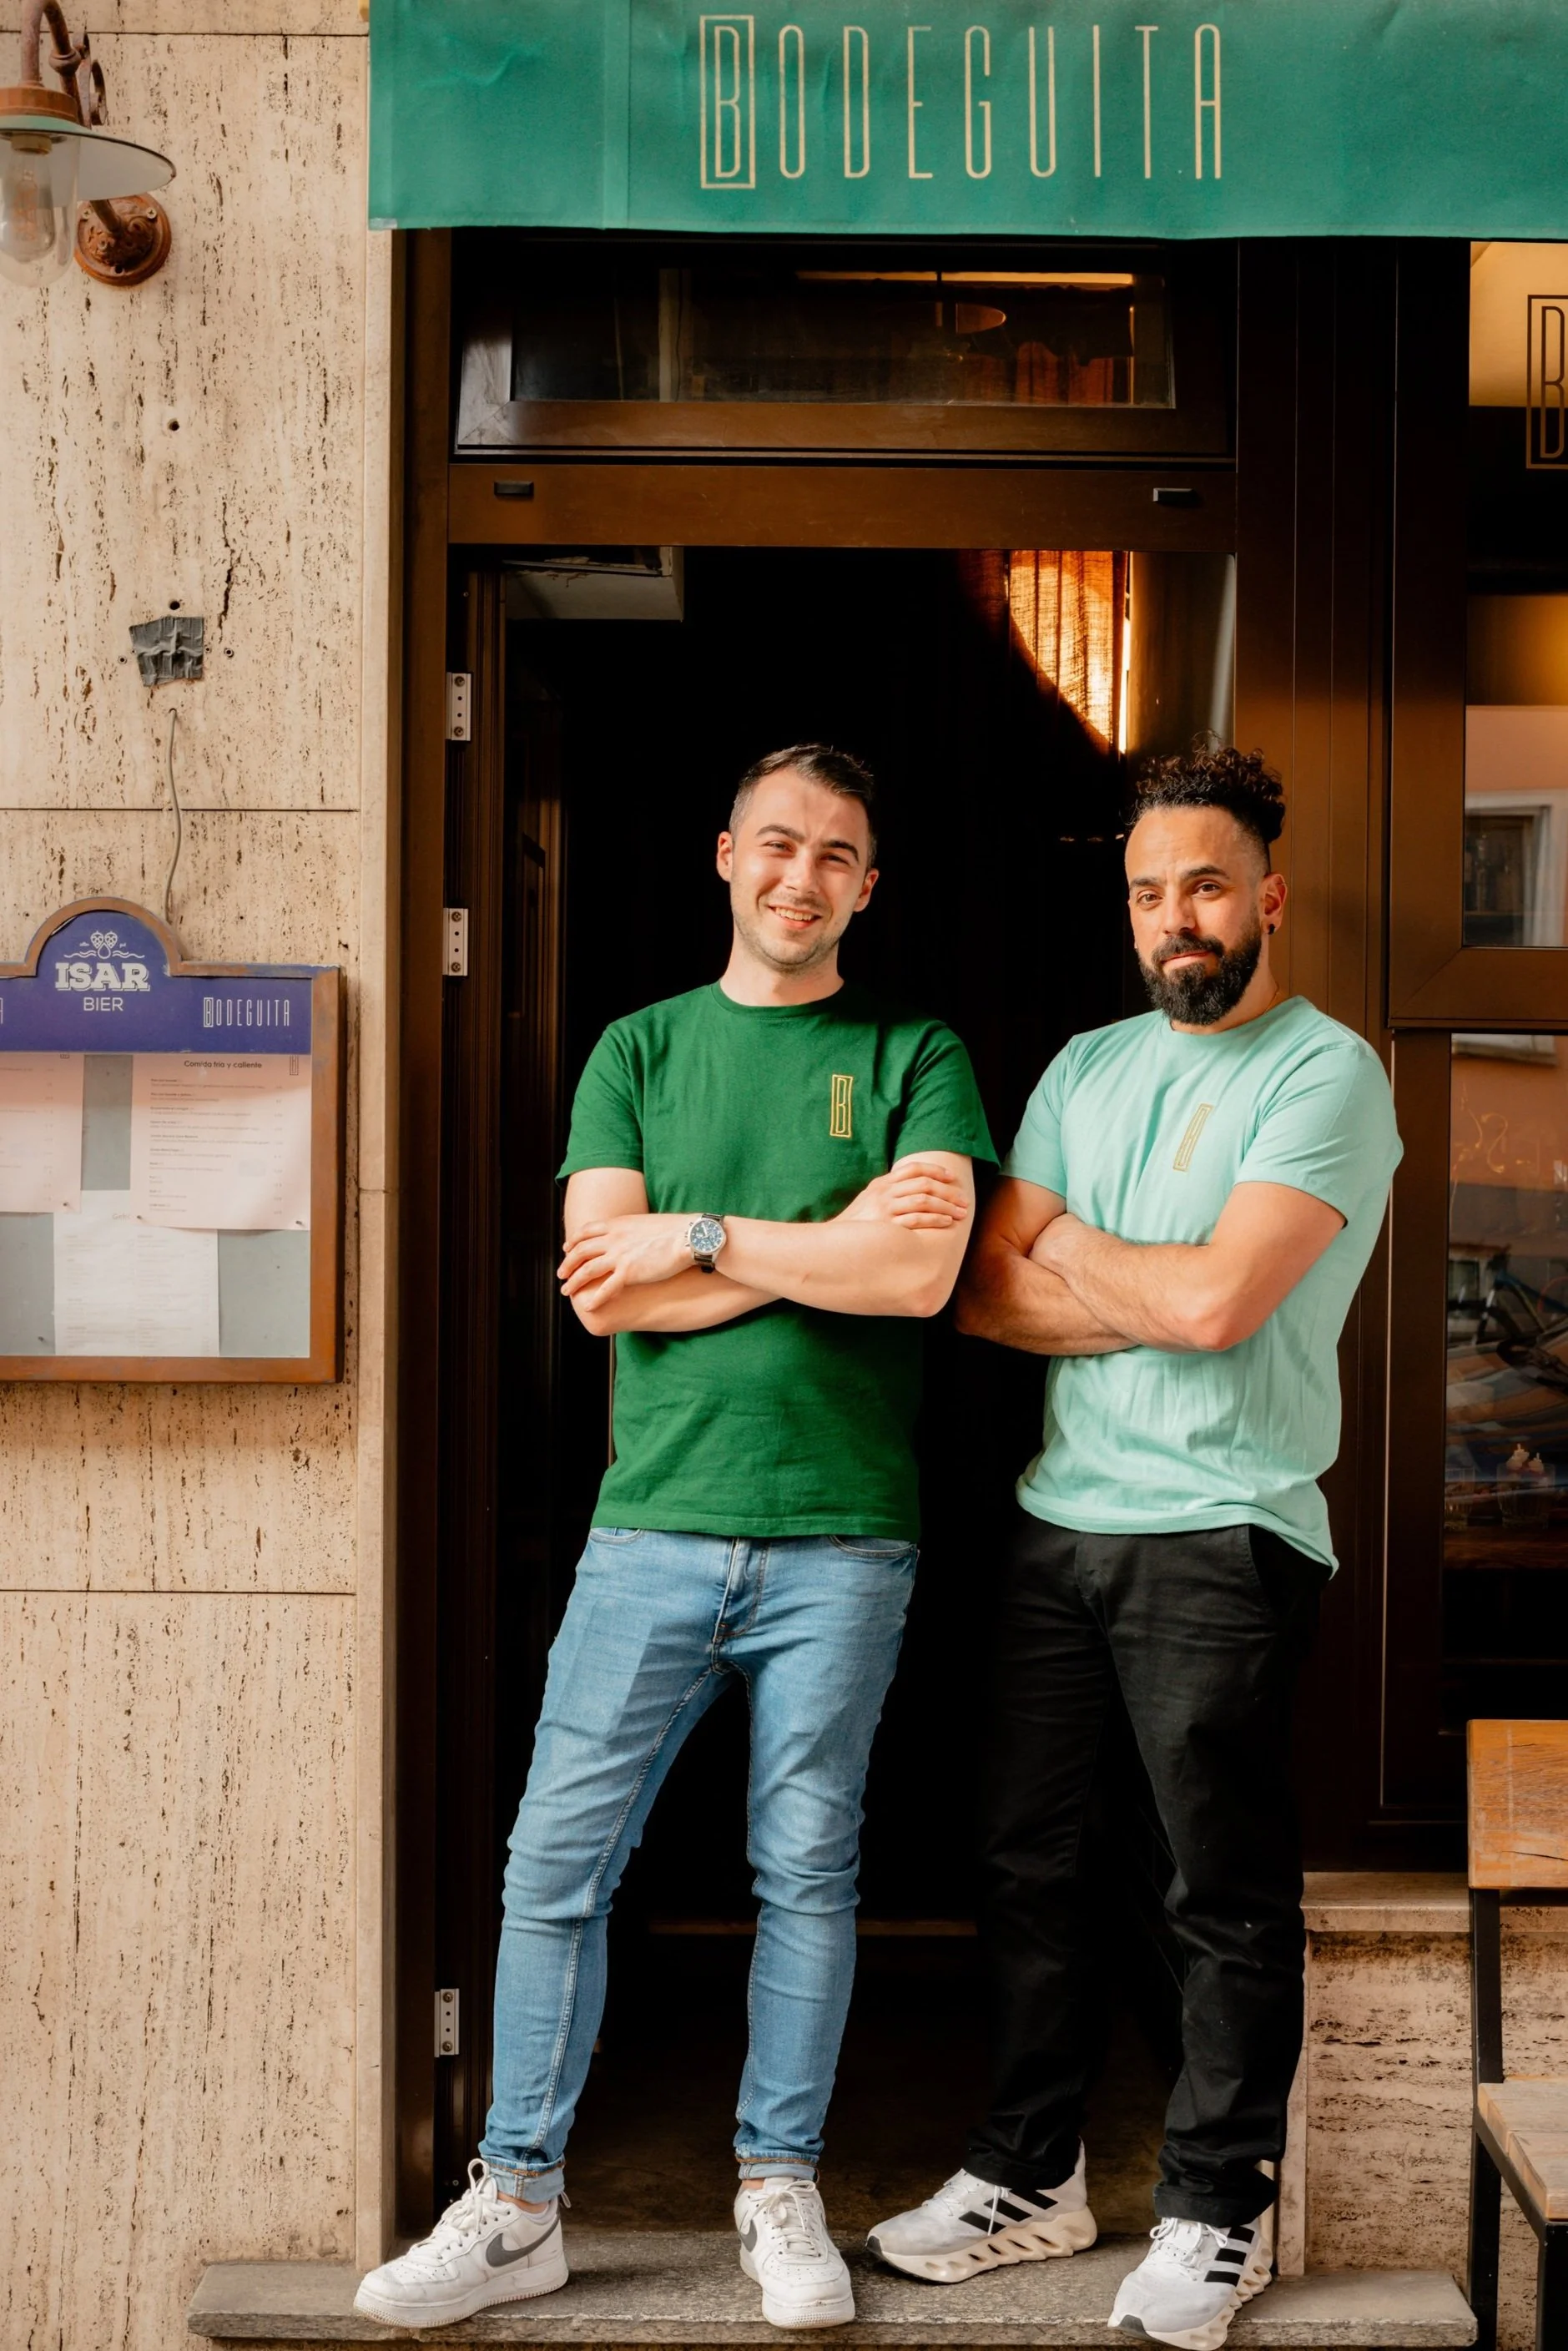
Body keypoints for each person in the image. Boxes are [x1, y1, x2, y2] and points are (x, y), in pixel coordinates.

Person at [355, 744, 995, 2334]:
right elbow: (599, 1288)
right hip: (647, 1529)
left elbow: (920, 1280)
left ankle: (780, 2190)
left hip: (846, 1534)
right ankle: (515, 2204)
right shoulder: (636, 1047)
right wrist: (824, 1242)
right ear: (726, 856)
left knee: (807, 1873)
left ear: (867, 883)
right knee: (555, 1866)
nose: (802, 877)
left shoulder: (916, 1047)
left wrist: (700, 1234)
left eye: (837, 855)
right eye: (777, 846)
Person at [868, 744, 1401, 2351]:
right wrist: (1138, 1286)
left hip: (1224, 1533)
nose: (1177, 919)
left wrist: (1083, 1261)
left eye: (1207, 888)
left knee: (1212, 1891)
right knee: (1031, 1870)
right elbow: (976, 1291)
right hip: (1059, 1526)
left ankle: (1214, 2208)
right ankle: (1031, 2177)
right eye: (1149, 893)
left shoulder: (1324, 1073)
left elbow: (1217, 1303)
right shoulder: (1085, 1066)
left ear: (1268, 897)